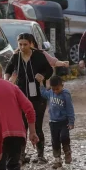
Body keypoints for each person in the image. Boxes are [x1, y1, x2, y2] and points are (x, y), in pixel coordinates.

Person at [5, 33, 53, 161]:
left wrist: (43, 75)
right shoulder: (16, 57)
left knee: (37, 125)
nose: (22, 47)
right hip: (20, 95)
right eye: (20, 44)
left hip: (38, 96)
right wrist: (8, 80)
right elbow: (8, 70)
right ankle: (21, 154)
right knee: (22, 126)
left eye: (25, 44)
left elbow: (49, 70)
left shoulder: (39, 56)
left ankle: (40, 154)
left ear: (31, 44)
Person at [39, 75, 75, 167]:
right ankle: (57, 159)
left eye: (57, 89)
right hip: (53, 122)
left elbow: (70, 108)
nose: (55, 91)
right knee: (55, 141)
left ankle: (67, 152)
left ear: (62, 85)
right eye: (53, 89)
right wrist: (40, 82)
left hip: (64, 121)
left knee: (64, 137)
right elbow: (43, 93)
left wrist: (71, 122)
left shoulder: (66, 94)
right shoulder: (50, 93)